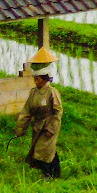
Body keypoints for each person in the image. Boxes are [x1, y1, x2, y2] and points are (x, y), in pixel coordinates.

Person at [14, 48, 62, 180]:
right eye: (35, 78)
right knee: (47, 150)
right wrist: (20, 128)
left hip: (49, 126)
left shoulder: (52, 93)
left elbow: (57, 112)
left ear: (44, 78)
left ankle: (48, 176)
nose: (36, 81)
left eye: (38, 79)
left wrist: (51, 128)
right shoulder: (33, 93)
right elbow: (27, 112)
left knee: (43, 150)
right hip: (38, 126)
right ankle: (56, 173)